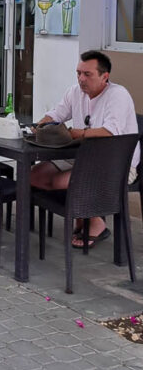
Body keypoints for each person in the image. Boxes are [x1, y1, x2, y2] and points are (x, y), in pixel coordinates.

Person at [30, 50, 140, 248]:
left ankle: (94, 220)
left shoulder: (118, 95)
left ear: (104, 76)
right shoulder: (75, 92)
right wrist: (42, 124)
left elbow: (109, 131)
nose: (81, 79)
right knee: (34, 175)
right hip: (82, 157)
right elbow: (57, 113)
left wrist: (74, 133)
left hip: (116, 163)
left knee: (60, 181)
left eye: (87, 74)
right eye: (78, 73)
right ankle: (82, 213)